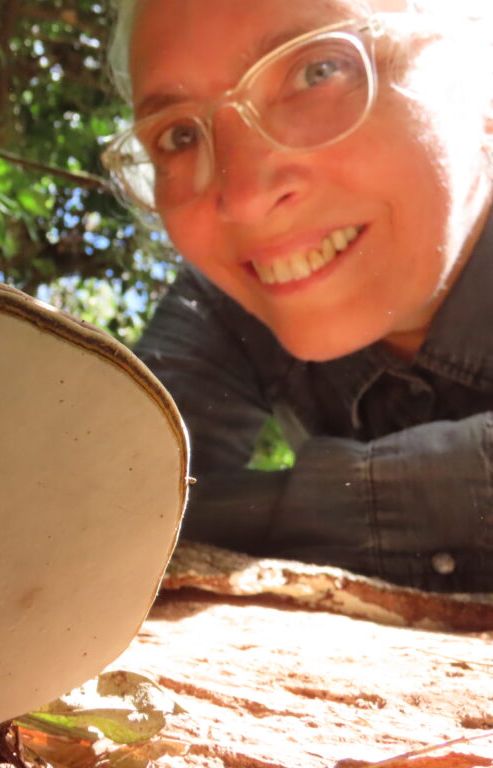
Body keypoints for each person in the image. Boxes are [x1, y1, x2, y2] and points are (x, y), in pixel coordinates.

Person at [101, 0, 493, 592]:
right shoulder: (234, 301)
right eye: (179, 136)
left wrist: (252, 516)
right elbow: (107, 505)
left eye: (318, 71)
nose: (242, 197)